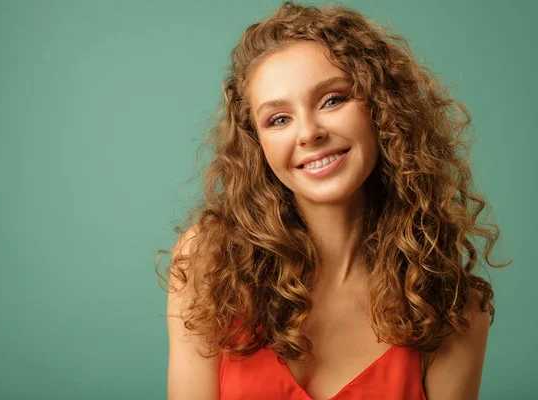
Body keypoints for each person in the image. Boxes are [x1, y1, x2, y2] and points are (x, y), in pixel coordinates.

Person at [157, 2, 511, 399]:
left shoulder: (452, 308)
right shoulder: (208, 264)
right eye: (278, 119)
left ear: (382, 109)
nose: (308, 133)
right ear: (257, 144)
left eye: (332, 100)